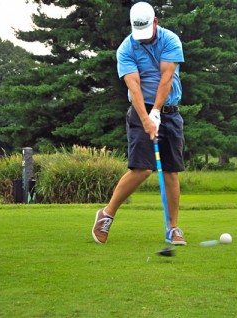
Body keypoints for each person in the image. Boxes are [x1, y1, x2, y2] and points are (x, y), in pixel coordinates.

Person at [92, 1, 186, 245]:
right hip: (139, 110)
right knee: (142, 169)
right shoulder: (126, 49)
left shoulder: (170, 40)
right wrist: (146, 118)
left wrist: (157, 112)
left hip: (170, 111)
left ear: (155, 22)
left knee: (170, 171)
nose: (142, 38)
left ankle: (173, 228)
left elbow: (166, 78)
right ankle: (106, 214)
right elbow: (134, 87)